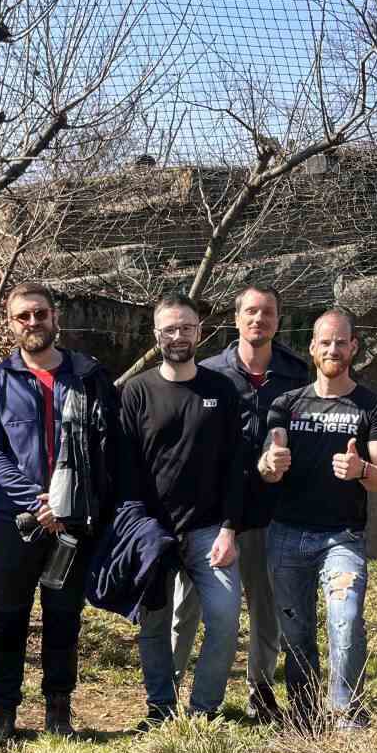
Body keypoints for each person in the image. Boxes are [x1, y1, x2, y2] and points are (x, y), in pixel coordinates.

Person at [0, 282, 118, 740]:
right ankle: (3, 714)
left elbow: (107, 446)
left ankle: (58, 712)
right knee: (9, 616)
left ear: (55, 317)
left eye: (40, 313)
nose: (32, 322)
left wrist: (70, 503)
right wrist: (37, 499)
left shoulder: (88, 376)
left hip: (74, 521)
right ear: (10, 324)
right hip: (17, 520)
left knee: (63, 616)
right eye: (23, 316)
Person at [258, 307, 377, 728]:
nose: (333, 349)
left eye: (341, 342)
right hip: (287, 535)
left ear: (353, 347)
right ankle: (304, 714)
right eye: (325, 342)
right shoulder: (286, 405)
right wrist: (270, 463)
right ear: (312, 347)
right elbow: (268, 465)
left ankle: (346, 712)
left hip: (343, 537)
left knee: (347, 619)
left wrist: (361, 470)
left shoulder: (373, 407)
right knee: (295, 633)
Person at [178, 284, 311, 721]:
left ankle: (261, 690)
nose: (259, 319)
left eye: (267, 312)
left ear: (278, 319)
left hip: (272, 509)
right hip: (210, 511)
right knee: (188, 606)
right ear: (236, 319)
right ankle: (170, 695)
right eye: (251, 311)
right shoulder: (209, 372)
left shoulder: (296, 373)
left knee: (265, 608)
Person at [121, 294, 247, 729]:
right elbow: (125, 467)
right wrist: (137, 529)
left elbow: (236, 464)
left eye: (186, 328)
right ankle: (160, 709)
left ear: (200, 332)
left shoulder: (221, 390)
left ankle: (203, 711)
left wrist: (229, 528)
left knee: (225, 620)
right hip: (153, 533)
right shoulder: (137, 391)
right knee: (154, 626)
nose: (178, 336)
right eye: (170, 329)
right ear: (157, 335)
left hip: (210, 530)